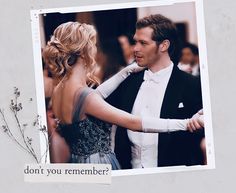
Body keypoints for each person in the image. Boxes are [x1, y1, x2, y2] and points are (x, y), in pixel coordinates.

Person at [43, 21, 204, 169]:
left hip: (77, 162)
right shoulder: (86, 97)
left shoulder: (59, 90)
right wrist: (187, 123)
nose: (95, 48)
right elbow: (134, 122)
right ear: (84, 52)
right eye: (93, 44)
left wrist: (126, 71)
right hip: (99, 163)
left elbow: (96, 95)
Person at [107, 14, 204, 169]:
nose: (135, 48)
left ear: (163, 45)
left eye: (143, 43)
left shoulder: (192, 85)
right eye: (135, 42)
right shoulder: (127, 82)